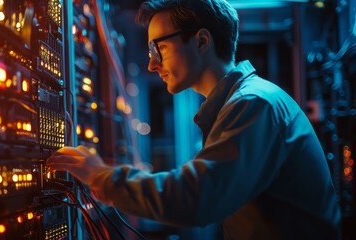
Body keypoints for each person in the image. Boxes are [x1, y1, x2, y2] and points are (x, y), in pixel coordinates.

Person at [47, 0, 342, 239]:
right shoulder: (243, 102)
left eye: (158, 47)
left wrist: (100, 176)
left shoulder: (254, 104)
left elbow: (198, 197)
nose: (152, 64)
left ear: (201, 41)